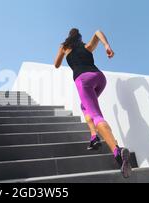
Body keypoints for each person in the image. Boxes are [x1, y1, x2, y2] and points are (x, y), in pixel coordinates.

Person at [54, 28, 132, 178]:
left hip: (83, 80)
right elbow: (97, 32)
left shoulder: (64, 47)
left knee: (96, 115)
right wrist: (106, 46)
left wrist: (63, 52)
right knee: (84, 106)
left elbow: (56, 64)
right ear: (80, 38)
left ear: (69, 38)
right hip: (99, 77)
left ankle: (118, 152)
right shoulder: (87, 46)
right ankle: (94, 136)